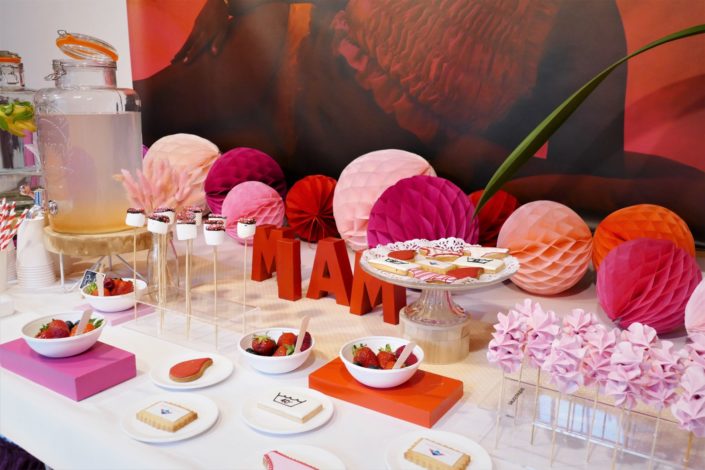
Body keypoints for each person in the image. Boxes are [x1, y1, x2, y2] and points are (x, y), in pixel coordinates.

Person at [133, 0, 705, 240]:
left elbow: (589, 182)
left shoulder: (582, 22)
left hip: (445, 213)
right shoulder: (278, 43)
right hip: (316, 190)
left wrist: (497, 188)